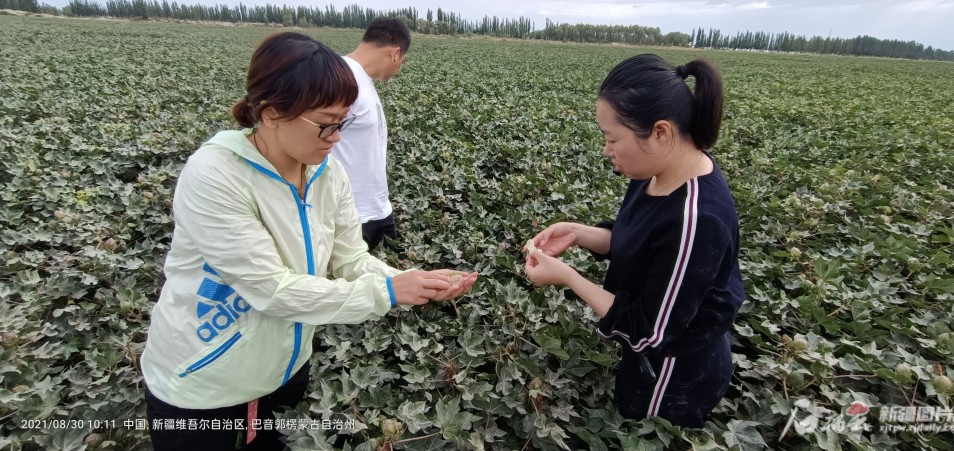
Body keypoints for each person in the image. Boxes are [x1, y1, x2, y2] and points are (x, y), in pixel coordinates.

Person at [140, 32, 476, 451]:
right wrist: (388, 291)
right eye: (326, 123)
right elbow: (271, 288)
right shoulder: (215, 175)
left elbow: (351, 258)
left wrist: (413, 281)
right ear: (272, 112)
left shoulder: (326, 173)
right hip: (204, 384)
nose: (337, 137)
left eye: (344, 122)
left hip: (284, 372)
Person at [524, 54, 745, 427]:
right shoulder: (655, 171)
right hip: (651, 356)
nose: (606, 150)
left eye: (612, 138)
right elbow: (635, 239)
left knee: (640, 432)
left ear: (659, 132)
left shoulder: (697, 220)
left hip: (672, 372)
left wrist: (567, 277)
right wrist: (578, 233)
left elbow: (649, 331)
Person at [331, 17, 410, 250]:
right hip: (352, 216)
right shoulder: (341, 80)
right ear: (395, 53)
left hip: (377, 208)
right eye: (402, 61)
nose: (398, 69)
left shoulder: (362, 80)